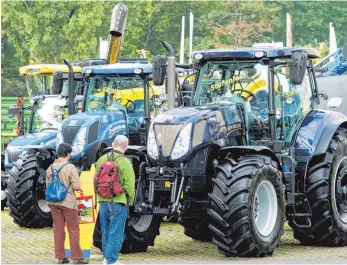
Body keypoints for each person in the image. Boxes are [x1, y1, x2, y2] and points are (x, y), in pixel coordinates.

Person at [46, 143, 88, 264]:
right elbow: (77, 185)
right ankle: (77, 257)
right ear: (68, 154)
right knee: (73, 229)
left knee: (58, 229)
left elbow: (48, 185)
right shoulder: (70, 167)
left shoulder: (50, 167)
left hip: (53, 202)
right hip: (68, 202)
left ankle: (61, 257)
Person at [96, 135, 135, 265]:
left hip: (103, 200)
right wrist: (130, 201)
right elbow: (129, 184)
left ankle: (107, 258)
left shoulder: (102, 159)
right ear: (126, 146)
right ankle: (111, 261)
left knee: (106, 230)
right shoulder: (125, 162)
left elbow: (96, 179)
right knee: (116, 232)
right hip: (118, 201)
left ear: (113, 144)